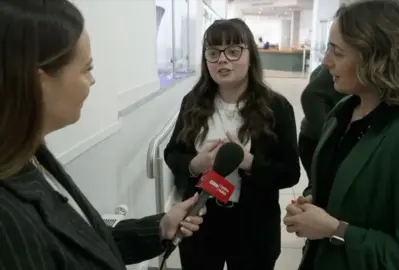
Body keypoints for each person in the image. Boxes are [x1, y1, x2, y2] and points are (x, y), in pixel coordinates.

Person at [0, 1, 204, 269]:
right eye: (87, 68)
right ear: (39, 83)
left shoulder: (31, 155)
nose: (93, 80)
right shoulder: (8, 220)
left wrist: (159, 227)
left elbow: (80, 246)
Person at [283, 1, 399, 269]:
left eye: (338, 53)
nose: (326, 61)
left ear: (376, 58)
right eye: (329, 48)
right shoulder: (343, 112)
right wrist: (311, 200)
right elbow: (335, 183)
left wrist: (336, 230)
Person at [164, 18, 300, 270]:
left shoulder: (276, 107)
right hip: (201, 220)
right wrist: (195, 164)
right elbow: (172, 154)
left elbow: (290, 173)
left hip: (253, 224)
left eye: (233, 51)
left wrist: (249, 162)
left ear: (250, 55)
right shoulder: (193, 102)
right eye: (213, 53)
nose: (222, 60)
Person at [299, 65, 345, 180]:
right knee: (321, 189)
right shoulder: (342, 60)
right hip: (315, 140)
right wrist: (331, 137)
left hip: (317, 137)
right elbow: (311, 95)